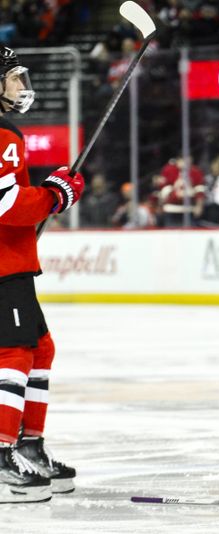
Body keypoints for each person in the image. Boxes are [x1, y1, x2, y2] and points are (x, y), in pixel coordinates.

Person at [0, 46, 85, 503]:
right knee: (13, 353)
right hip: (3, 265)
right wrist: (56, 195)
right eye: (13, 78)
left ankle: (28, 444)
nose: (21, 86)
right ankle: (2, 454)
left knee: (40, 348)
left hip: (10, 263)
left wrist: (52, 194)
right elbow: (6, 204)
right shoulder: (3, 135)